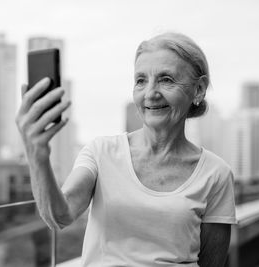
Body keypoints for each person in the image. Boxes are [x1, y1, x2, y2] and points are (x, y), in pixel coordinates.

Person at [15, 32, 236, 267]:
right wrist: (37, 155)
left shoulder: (216, 174)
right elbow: (60, 215)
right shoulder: (100, 152)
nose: (150, 93)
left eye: (166, 79)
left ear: (199, 90)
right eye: (141, 80)